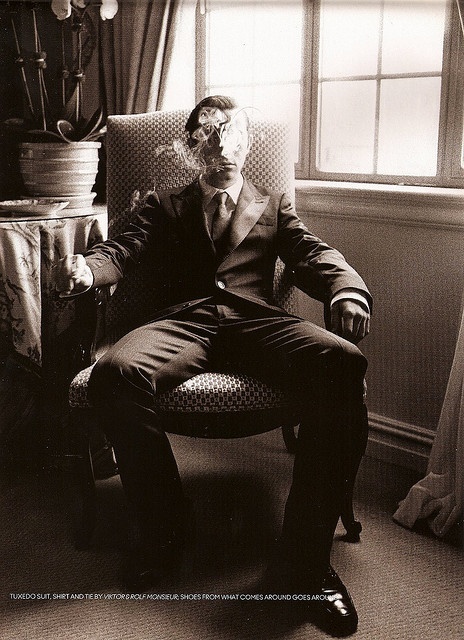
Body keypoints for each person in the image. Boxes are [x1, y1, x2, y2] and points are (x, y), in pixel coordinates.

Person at [54, 96, 371, 636]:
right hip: (184, 322)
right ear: (193, 148)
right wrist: (87, 269)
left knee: (342, 363)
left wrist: (347, 292)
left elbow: (315, 254)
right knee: (115, 376)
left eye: (234, 134)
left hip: (254, 321)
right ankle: (165, 532)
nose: (222, 144)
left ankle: (306, 560)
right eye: (210, 135)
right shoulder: (162, 203)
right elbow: (122, 250)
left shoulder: (271, 205)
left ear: (249, 146)